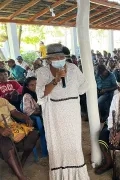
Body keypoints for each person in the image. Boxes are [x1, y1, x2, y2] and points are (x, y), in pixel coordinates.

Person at [36, 43, 90, 179]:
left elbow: (83, 85)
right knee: (57, 142)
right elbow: (42, 93)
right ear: (48, 59)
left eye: (61, 56)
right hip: (54, 113)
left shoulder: (73, 68)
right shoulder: (42, 72)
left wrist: (71, 95)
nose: (59, 58)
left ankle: (77, 173)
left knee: (74, 141)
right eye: (55, 57)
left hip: (71, 111)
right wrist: (56, 80)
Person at [0, 97, 38, 180]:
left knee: (33, 134)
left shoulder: (3, 100)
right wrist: (1, 130)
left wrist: (26, 117)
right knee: (6, 145)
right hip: (1, 131)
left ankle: (22, 161)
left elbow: (14, 112)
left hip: (11, 127)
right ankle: (21, 177)